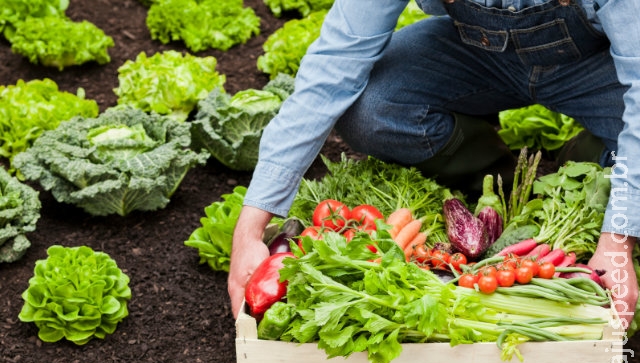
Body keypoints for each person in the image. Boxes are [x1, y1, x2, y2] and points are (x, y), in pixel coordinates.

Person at [228, 0, 639, 330]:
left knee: (624, 150)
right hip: (480, 55)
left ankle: (589, 164)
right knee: (372, 109)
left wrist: (618, 241)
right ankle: (493, 172)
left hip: (595, 67)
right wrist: (251, 226)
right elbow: (333, 66)